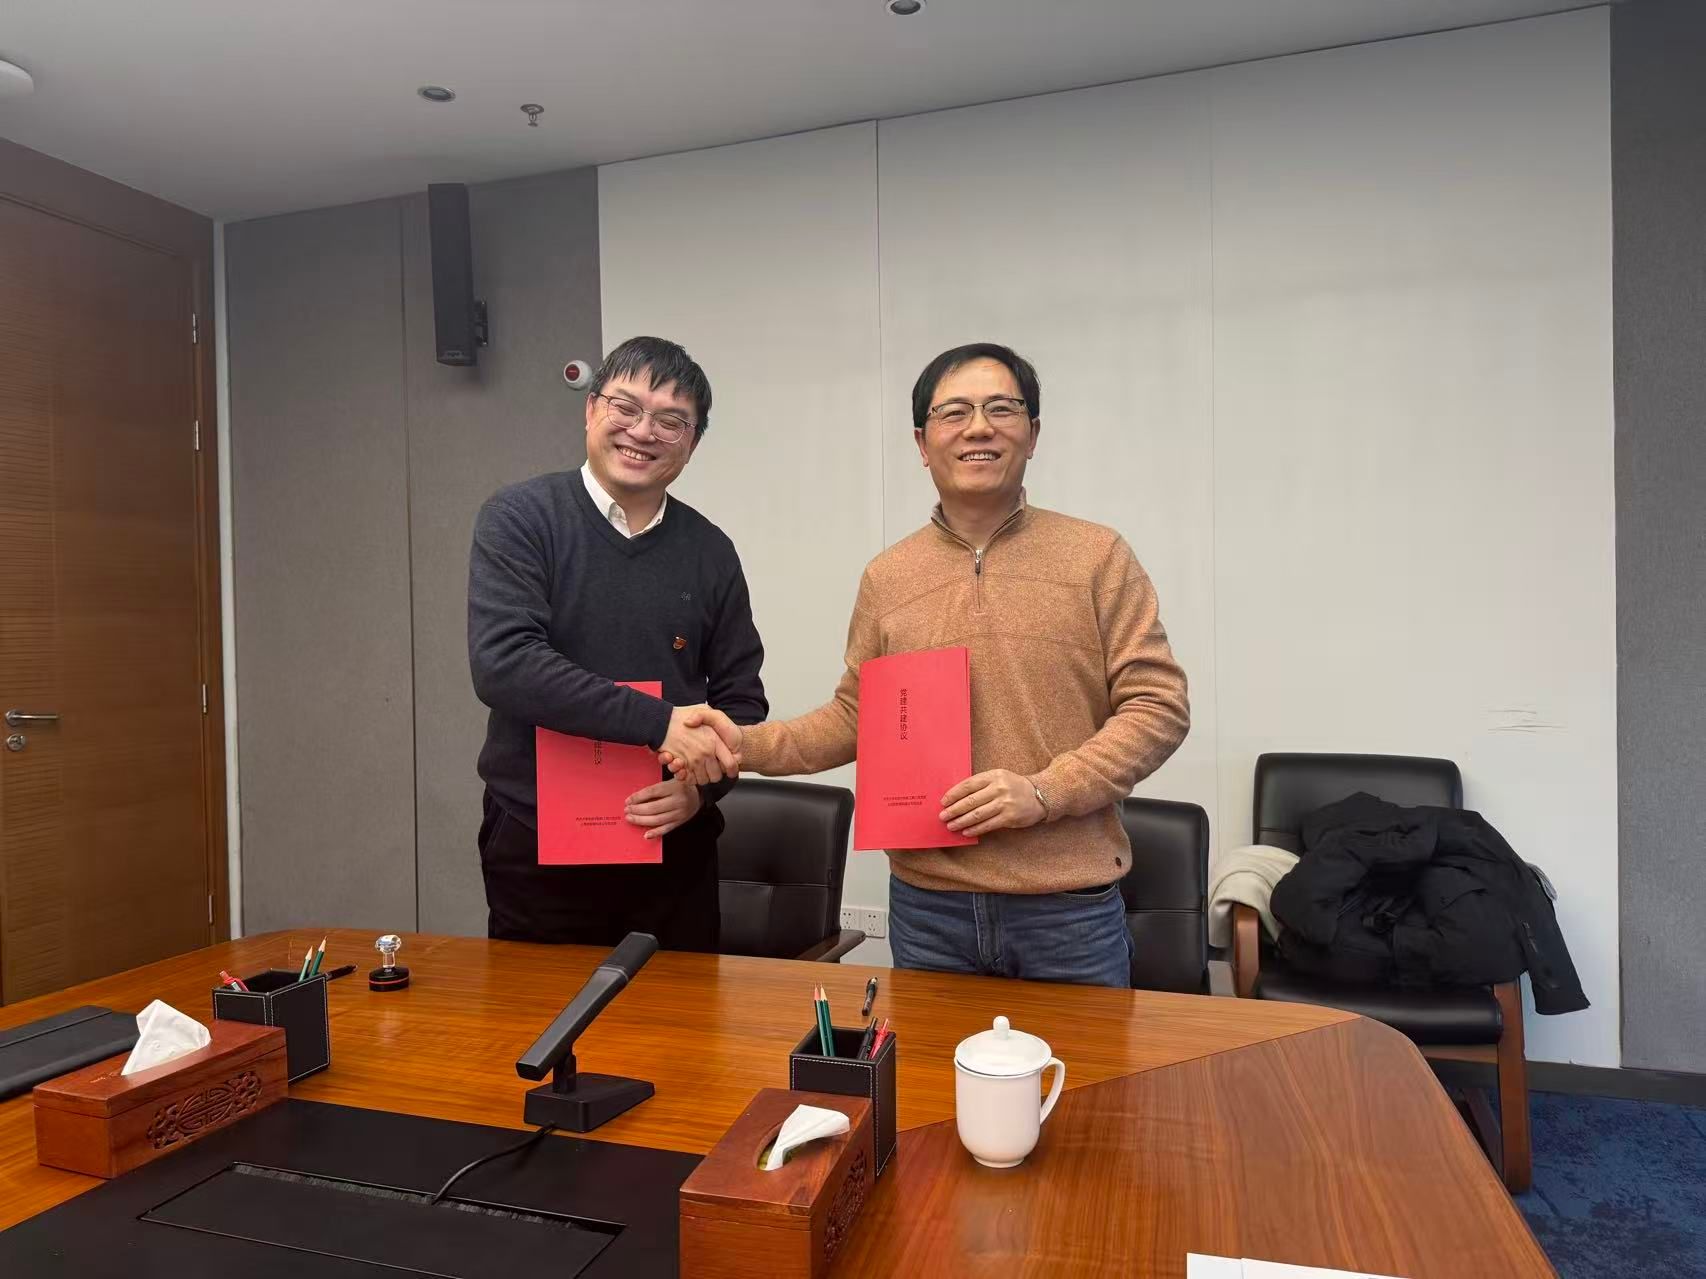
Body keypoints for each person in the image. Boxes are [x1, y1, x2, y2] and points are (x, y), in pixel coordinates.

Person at [678, 343, 1187, 986]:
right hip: (929, 910)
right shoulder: (888, 576)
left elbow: (1158, 706)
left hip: (1068, 912)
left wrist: (1044, 792)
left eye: (1001, 408)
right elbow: (855, 717)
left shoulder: (1097, 556)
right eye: (954, 412)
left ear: (1033, 434)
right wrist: (740, 744)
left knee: (1084, 1061)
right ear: (923, 443)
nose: (979, 427)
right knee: (930, 1060)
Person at [468, 335, 762, 951]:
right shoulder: (521, 518)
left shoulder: (711, 551)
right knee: (539, 1013)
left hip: (671, 849)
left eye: (671, 420)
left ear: (692, 443)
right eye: (625, 406)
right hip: (537, 847)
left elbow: (741, 703)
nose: (643, 431)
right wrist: (660, 724)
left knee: (678, 1015)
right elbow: (505, 664)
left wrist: (700, 791)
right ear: (590, 410)